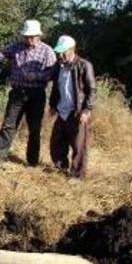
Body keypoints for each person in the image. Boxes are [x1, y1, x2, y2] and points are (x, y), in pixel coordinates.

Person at [0, 19, 57, 166]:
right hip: (17, 93)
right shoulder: (16, 47)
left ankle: (32, 162)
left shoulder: (48, 51)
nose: (29, 39)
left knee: (34, 128)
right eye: (27, 36)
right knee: (9, 125)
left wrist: (36, 76)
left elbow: (52, 73)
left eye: (32, 36)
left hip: (37, 94)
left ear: (39, 35)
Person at [48, 35, 96, 179]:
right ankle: (61, 169)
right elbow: (55, 88)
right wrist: (52, 105)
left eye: (63, 51)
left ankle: (77, 176)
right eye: (58, 52)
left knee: (79, 146)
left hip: (77, 112)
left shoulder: (84, 65)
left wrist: (87, 110)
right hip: (62, 111)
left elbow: (91, 90)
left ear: (72, 50)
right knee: (56, 143)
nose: (60, 55)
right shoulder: (58, 66)